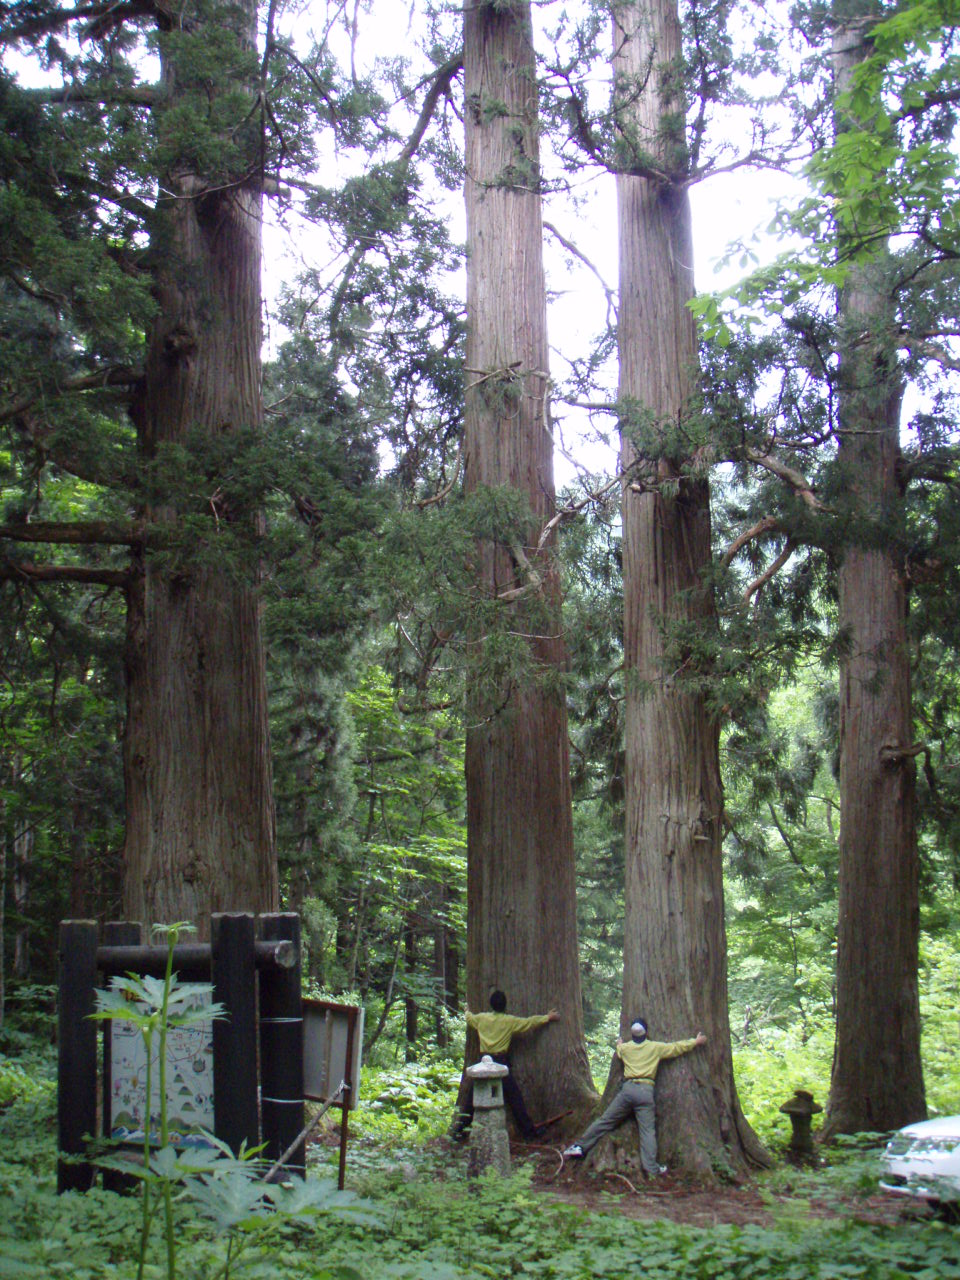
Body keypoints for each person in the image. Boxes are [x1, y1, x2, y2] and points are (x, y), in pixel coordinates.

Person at [563, 1017, 707, 1174]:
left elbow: (619, 1051)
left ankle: (579, 1146)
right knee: (647, 1131)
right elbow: (676, 1047)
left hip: (627, 1090)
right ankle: (651, 1168)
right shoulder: (655, 1047)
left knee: (605, 1120)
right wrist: (696, 1042)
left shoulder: (625, 1048)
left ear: (632, 1034)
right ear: (646, 1032)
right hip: (645, 1091)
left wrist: (619, 1045)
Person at [457, 989, 559, 1140]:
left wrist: (466, 1011)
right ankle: (529, 1133)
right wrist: (547, 1017)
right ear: (505, 1005)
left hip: (484, 1062)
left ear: (491, 1005)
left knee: (473, 1096)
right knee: (515, 1097)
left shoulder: (481, 1019)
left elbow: (469, 1018)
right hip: (500, 1062)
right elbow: (529, 1022)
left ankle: (459, 1132)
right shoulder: (509, 1021)